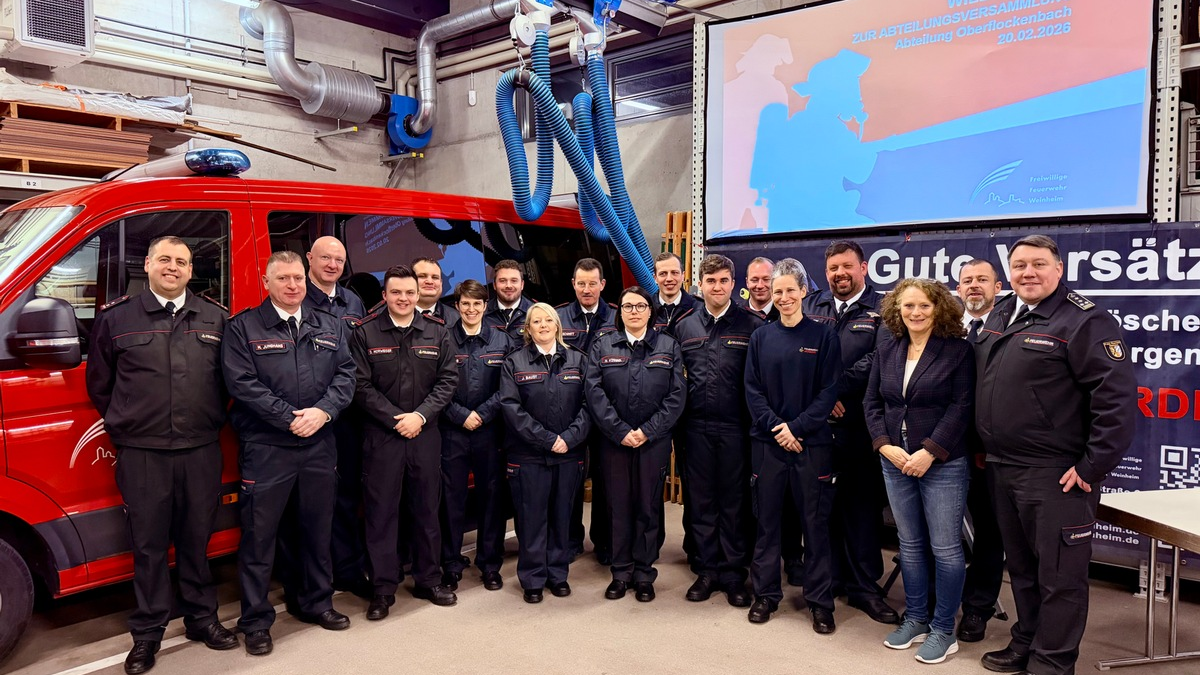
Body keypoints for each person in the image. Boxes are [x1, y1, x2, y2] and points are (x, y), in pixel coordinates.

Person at [975, 236, 1136, 675]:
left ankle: (1053, 662)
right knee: (1023, 570)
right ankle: (1026, 642)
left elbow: (1116, 402)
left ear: (1059, 269)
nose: (1028, 272)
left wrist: (1092, 466)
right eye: (1019, 264)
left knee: (1060, 578)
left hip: (1056, 474)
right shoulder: (1003, 312)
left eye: (1038, 264)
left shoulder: (1085, 322)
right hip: (1003, 468)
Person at [86, 237, 238, 674]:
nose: (173, 268)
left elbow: (229, 385)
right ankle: (148, 633)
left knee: (196, 540)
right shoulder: (117, 320)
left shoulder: (215, 318)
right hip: (143, 453)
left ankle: (202, 619)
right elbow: (100, 385)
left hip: (199, 451)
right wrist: (128, 424)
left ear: (192, 271)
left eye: (182, 262)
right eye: (165, 260)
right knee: (149, 546)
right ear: (148, 264)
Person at [223, 250, 356, 656]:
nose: (293, 285)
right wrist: (289, 418)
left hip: (319, 444)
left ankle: (316, 603)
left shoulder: (330, 325)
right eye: (283, 279)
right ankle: (256, 621)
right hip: (268, 448)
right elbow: (241, 383)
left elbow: (347, 374)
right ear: (267, 281)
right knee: (260, 539)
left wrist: (323, 412)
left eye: (298, 278)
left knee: (317, 531)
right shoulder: (243, 327)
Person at [864, 278, 975, 665]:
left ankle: (944, 629)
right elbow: (872, 401)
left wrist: (930, 451)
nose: (915, 313)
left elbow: (962, 406)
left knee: (945, 548)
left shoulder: (957, 351)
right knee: (909, 545)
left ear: (939, 308)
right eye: (907, 306)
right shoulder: (888, 348)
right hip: (895, 461)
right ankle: (916, 619)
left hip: (942, 463)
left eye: (923, 306)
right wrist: (883, 444)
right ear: (897, 310)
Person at [350, 265, 459, 621]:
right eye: (396, 293)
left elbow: (447, 380)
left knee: (427, 510)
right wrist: (397, 419)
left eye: (410, 293)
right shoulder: (365, 333)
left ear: (418, 296)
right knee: (381, 515)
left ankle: (429, 580)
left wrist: (421, 417)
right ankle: (382, 589)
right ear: (384, 295)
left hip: (425, 435)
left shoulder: (437, 332)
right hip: (382, 438)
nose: (404, 299)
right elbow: (359, 386)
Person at [743, 258, 841, 632]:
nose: (783, 297)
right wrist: (777, 429)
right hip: (768, 445)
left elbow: (828, 390)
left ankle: (820, 602)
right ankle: (766, 595)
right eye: (777, 290)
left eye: (789, 290)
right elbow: (752, 392)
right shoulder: (760, 337)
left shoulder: (823, 336)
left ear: (803, 292)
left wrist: (796, 429)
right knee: (767, 524)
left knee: (814, 525)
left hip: (812, 445)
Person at [803, 240, 897, 624]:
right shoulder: (812, 305)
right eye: (832, 269)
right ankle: (827, 582)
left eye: (846, 267)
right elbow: (797, 352)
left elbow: (881, 358)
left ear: (864, 268)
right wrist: (823, 397)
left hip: (862, 425)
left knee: (861, 510)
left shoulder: (883, 308)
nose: (839, 274)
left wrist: (834, 388)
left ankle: (863, 588)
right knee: (820, 510)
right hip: (818, 427)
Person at [672, 254, 763, 608]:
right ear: (700, 284)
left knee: (735, 502)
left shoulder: (752, 325)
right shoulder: (683, 326)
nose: (717, 287)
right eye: (711, 281)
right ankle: (707, 570)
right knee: (701, 500)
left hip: (737, 428)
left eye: (724, 281)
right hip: (694, 428)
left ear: (732, 283)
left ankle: (734, 574)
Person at [586, 285, 686, 602]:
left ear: (650, 311)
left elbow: (677, 395)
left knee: (648, 505)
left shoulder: (668, 347)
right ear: (620, 312)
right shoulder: (602, 346)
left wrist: (648, 431)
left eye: (640, 306)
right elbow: (594, 392)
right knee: (617, 506)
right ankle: (620, 572)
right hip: (613, 442)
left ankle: (644, 574)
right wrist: (619, 430)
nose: (633, 312)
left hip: (652, 442)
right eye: (627, 306)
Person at [499, 303, 592, 602]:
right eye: (536, 321)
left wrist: (569, 438)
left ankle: (558, 574)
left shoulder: (578, 360)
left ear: (557, 325)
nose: (542, 325)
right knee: (531, 518)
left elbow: (590, 405)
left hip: (569, 453)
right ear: (528, 328)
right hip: (528, 456)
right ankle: (533, 578)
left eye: (548, 320)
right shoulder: (514, 362)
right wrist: (547, 440)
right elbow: (511, 408)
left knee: (562, 516)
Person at [302, 236, 370, 597]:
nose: (332, 265)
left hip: (349, 414)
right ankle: (310, 578)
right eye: (325, 258)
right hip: (311, 414)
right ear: (309, 258)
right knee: (311, 500)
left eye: (338, 259)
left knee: (346, 495)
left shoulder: (353, 301)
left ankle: (346, 569)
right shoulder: (299, 298)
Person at [439, 279, 514, 592]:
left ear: (486, 305)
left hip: (489, 432)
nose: (471, 309)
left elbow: (509, 387)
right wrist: (460, 415)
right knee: (451, 501)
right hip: (452, 432)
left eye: (477, 303)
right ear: (458, 307)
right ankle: (451, 563)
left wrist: (481, 414)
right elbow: (435, 386)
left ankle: (489, 564)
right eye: (465, 304)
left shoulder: (502, 340)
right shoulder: (443, 339)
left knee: (491, 500)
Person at [954, 258, 1007, 643]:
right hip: (942, 449)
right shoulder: (943, 328)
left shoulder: (1010, 329)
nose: (974, 286)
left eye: (982, 280)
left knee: (990, 534)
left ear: (997, 286)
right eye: (967, 281)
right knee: (936, 531)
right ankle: (932, 605)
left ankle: (976, 609)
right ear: (958, 289)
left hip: (987, 453)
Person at [556, 258, 617, 563]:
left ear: (602, 285)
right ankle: (569, 540)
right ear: (573, 284)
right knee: (571, 479)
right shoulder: (558, 317)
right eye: (581, 283)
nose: (587, 289)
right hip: (570, 411)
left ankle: (605, 544)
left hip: (607, 411)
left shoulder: (616, 317)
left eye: (593, 283)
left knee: (606, 479)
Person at [485, 259, 534, 338]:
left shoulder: (536, 313)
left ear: (522, 285)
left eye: (514, 281)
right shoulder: (482, 314)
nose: (508, 285)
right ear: (494, 285)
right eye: (502, 281)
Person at [651, 252, 697, 336]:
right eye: (663, 274)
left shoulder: (699, 309)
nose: (669, 279)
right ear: (655, 278)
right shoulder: (645, 310)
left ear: (683, 276)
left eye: (674, 273)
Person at [413, 257, 462, 327]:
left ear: (441, 283)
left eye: (435, 277)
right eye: (422, 276)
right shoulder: (395, 316)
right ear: (410, 281)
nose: (430, 282)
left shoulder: (457, 319)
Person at [741, 257, 779, 322]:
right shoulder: (735, 316)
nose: (760, 286)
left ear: (775, 281)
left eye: (766, 279)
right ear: (747, 282)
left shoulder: (785, 316)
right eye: (754, 280)